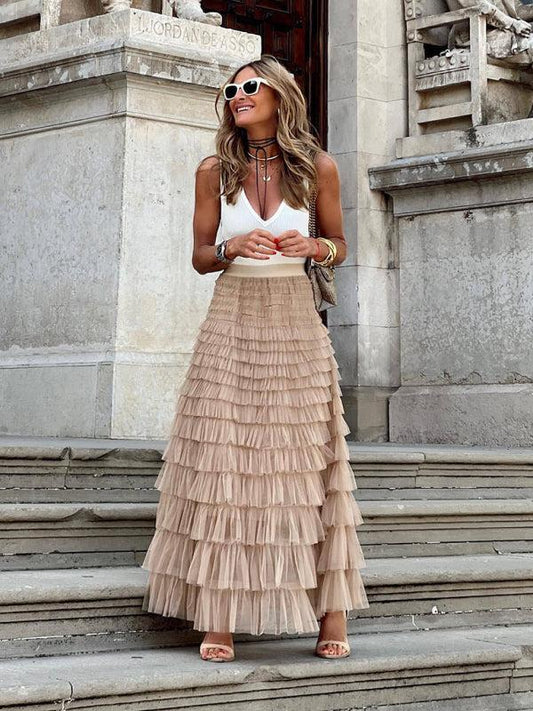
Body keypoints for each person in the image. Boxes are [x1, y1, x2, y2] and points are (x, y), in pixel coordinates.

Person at [141, 54, 369, 663]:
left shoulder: (318, 167)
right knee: (223, 457)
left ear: (279, 95)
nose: (238, 96)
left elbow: (340, 245)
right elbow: (199, 256)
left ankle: (331, 612)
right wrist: (231, 245)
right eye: (231, 90)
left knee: (306, 457)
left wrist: (314, 245)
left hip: (294, 318)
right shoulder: (214, 169)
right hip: (232, 313)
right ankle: (219, 616)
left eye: (250, 86)